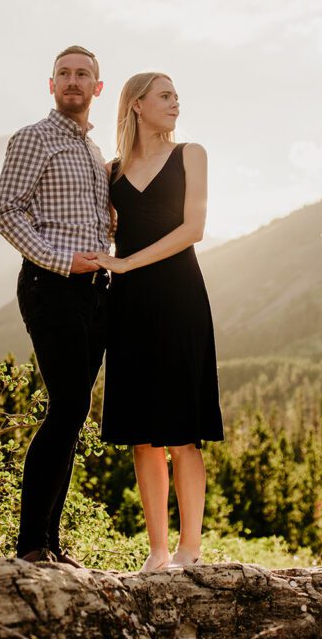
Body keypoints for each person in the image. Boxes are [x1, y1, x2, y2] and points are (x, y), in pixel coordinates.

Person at [95, 72, 224, 571]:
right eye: (165, 95)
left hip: (179, 299)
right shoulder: (111, 171)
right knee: (142, 435)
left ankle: (189, 549)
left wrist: (126, 262)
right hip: (129, 306)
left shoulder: (191, 154)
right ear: (136, 105)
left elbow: (194, 228)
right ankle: (156, 552)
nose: (176, 103)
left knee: (182, 433)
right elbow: (102, 229)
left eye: (177, 96)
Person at [0, 45, 110, 566]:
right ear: (51, 84)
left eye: (83, 74)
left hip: (94, 295)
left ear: (97, 89)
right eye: (64, 74)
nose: (72, 81)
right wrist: (64, 261)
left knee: (75, 412)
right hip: (50, 285)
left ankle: (51, 545)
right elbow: (5, 212)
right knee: (65, 407)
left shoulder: (91, 151)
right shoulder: (33, 138)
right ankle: (31, 546)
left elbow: (92, 219)